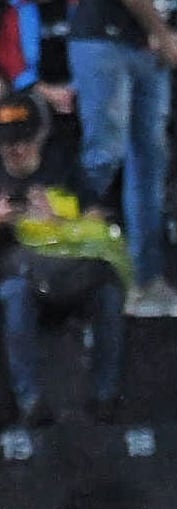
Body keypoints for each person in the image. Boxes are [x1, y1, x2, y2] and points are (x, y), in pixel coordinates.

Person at [68, 0, 177, 318]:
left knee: (150, 164)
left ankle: (146, 283)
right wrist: (161, 31)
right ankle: (60, 264)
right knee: (104, 153)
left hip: (148, 47)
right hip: (105, 37)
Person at [0, 90, 125, 425]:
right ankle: (29, 401)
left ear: (39, 136)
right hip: (18, 277)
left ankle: (105, 397)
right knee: (15, 295)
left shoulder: (63, 168)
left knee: (109, 292)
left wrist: (59, 220)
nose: (16, 149)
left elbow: (99, 220)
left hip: (68, 273)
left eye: (24, 140)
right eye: (8, 142)